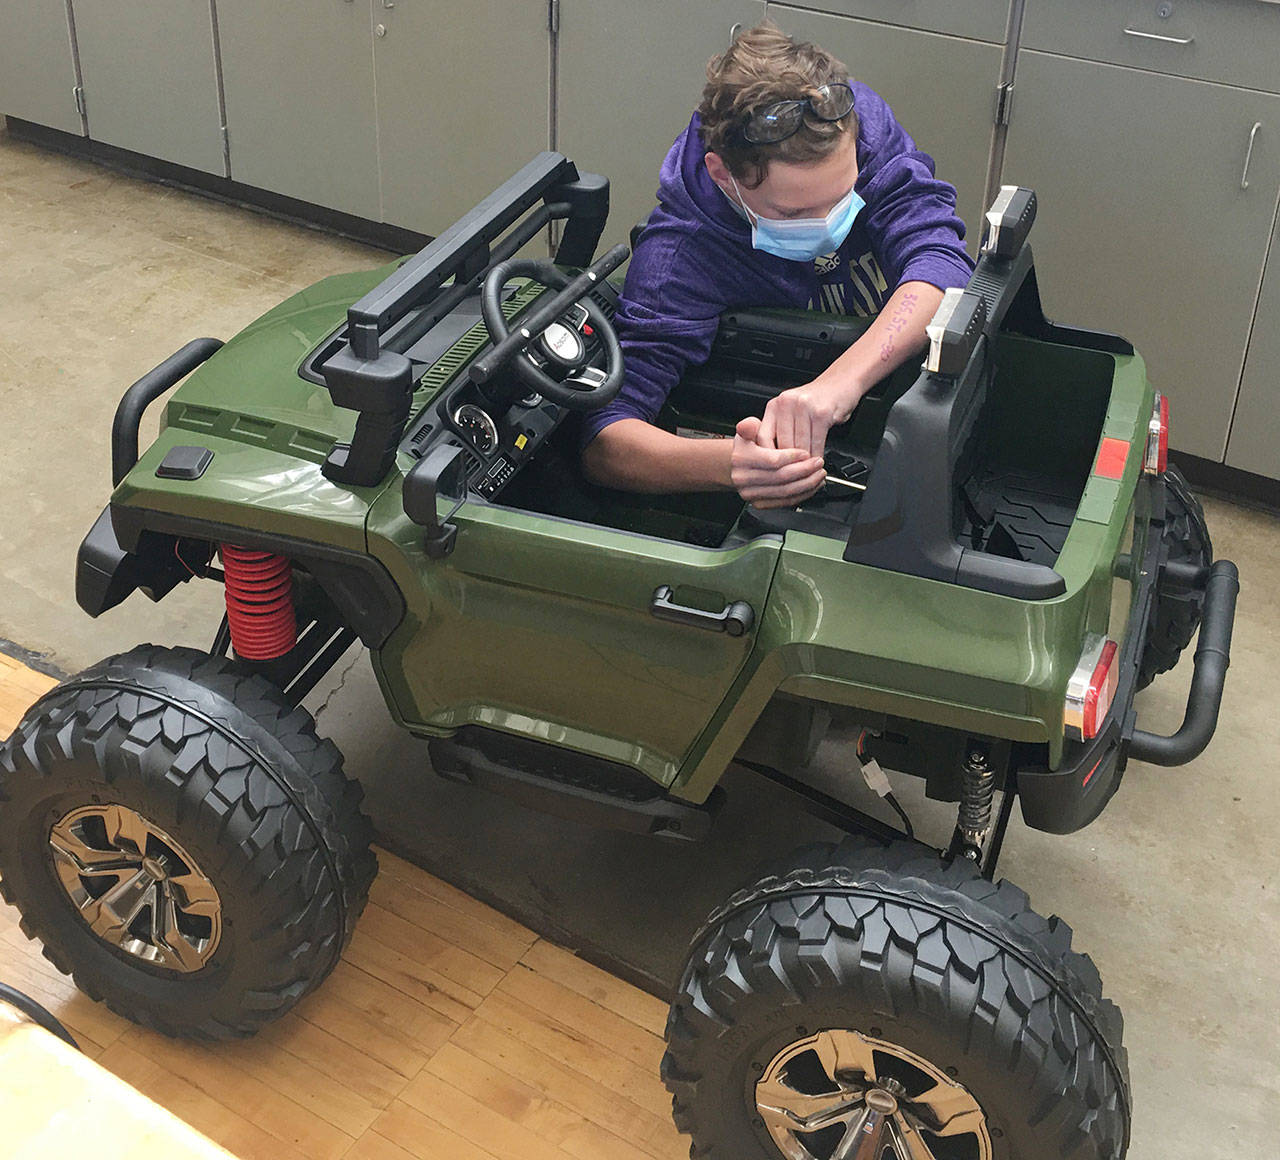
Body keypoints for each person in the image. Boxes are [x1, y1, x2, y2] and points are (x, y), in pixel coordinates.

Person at [580, 21, 975, 509]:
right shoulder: (680, 261)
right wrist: (731, 464)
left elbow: (940, 262)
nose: (830, 224)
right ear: (724, 175)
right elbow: (604, 443)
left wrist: (838, 384)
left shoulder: (847, 122)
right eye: (793, 213)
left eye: (843, 197)